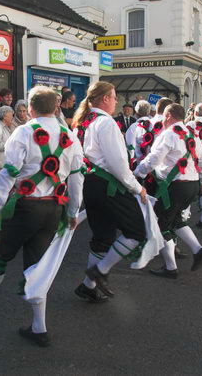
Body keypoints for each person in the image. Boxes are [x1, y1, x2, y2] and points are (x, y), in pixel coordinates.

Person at [0, 86, 84, 347]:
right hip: (53, 209)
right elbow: (77, 178)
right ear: (55, 107)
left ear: (31, 108)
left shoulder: (23, 132)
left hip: (25, 208)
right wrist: (72, 212)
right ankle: (39, 327)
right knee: (36, 265)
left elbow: (8, 173)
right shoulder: (70, 135)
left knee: (2, 255)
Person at [72, 81, 147, 302]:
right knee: (136, 231)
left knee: (102, 237)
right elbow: (118, 164)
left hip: (91, 184)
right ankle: (100, 270)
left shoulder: (83, 122)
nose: (116, 102)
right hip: (108, 185)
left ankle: (88, 286)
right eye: (114, 97)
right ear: (104, 98)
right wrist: (136, 187)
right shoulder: (106, 123)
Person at [134, 103, 202, 278]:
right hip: (191, 186)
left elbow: (153, 159)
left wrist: (137, 173)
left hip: (176, 186)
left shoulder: (168, 135)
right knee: (175, 220)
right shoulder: (192, 134)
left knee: (160, 224)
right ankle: (198, 251)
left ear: (168, 116)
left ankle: (171, 268)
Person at [125, 100, 152, 167]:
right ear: (148, 112)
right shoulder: (155, 125)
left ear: (136, 112)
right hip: (153, 165)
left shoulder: (133, 127)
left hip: (138, 165)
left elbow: (130, 148)